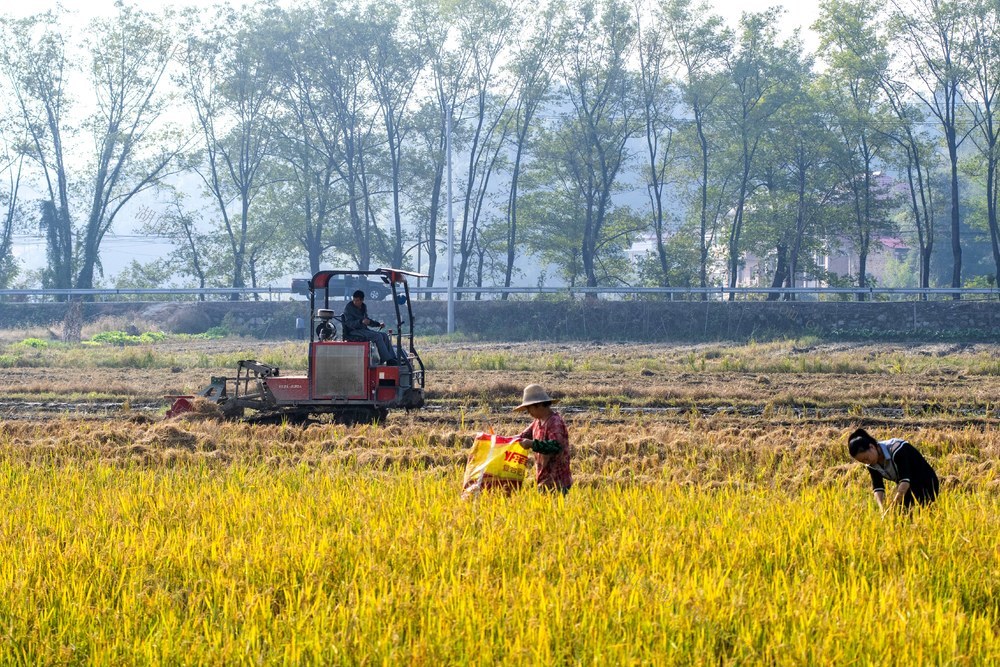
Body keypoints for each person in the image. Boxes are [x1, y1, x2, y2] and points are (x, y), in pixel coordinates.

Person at [848, 427, 939, 513]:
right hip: (905, 487)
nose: (866, 462)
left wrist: (893, 507)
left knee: (924, 512)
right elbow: (878, 487)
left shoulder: (897, 449)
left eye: (866, 458)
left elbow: (905, 480)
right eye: (862, 461)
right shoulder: (871, 463)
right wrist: (882, 509)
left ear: (872, 447)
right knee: (904, 516)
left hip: (926, 482)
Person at [515, 384, 572, 494]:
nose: (529, 413)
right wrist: (501, 441)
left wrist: (531, 444)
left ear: (539, 405)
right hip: (544, 479)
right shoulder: (538, 421)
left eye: (529, 409)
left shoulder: (554, 422)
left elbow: (555, 446)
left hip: (557, 481)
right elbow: (522, 436)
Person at [342, 289, 398, 365]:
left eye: (357, 300)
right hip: (353, 331)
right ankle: (387, 359)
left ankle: (392, 358)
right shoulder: (349, 308)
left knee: (384, 335)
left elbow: (367, 321)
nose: (355, 302)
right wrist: (360, 322)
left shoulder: (363, 307)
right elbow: (349, 323)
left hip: (363, 330)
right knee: (377, 336)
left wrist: (378, 324)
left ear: (362, 300)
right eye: (354, 300)